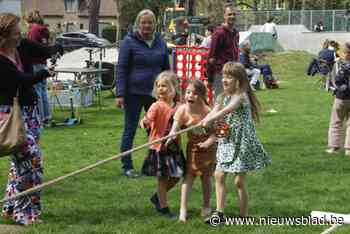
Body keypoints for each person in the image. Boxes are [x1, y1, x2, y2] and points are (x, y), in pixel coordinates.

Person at [0, 12, 57, 225]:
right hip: (9, 114)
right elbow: (18, 80)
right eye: (16, 33)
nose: (20, 36)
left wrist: (53, 49)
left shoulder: (19, 46)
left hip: (29, 111)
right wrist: (45, 74)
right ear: (4, 36)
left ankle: (10, 206)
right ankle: (25, 214)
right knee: (32, 161)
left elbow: (41, 49)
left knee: (21, 163)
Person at [201, 62, 271, 222]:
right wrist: (205, 119)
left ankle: (244, 215)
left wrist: (211, 118)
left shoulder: (241, 96)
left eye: (229, 77)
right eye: (224, 76)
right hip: (227, 140)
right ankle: (219, 213)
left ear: (239, 80)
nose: (224, 80)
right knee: (219, 175)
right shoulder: (221, 95)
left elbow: (227, 110)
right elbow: (215, 109)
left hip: (242, 142)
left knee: (239, 181)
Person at [115, 9, 170, 178]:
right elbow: (122, 68)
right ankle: (127, 166)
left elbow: (166, 69)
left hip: (155, 93)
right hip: (133, 93)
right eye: (143, 22)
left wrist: (171, 89)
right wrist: (120, 94)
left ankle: (153, 164)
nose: (147, 25)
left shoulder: (160, 42)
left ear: (155, 24)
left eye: (150, 22)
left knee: (156, 128)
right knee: (130, 129)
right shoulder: (129, 42)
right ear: (138, 24)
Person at [167, 80, 216, 222]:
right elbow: (174, 128)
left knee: (206, 177)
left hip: (208, 149)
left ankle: (206, 206)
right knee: (188, 177)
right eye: (188, 92)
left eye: (195, 93)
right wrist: (171, 135)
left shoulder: (208, 112)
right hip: (193, 148)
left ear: (201, 95)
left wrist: (207, 143)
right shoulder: (182, 109)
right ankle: (183, 209)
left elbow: (215, 134)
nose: (190, 95)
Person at [140, 71, 185, 219]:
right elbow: (148, 118)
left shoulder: (180, 106)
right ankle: (163, 207)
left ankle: (158, 197)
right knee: (163, 178)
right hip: (159, 148)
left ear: (174, 88)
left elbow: (185, 121)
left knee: (177, 175)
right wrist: (144, 122)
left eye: (164, 85)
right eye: (158, 86)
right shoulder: (156, 105)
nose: (160, 88)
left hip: (174, 147)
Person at [25, 10, 51, 126]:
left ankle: (40, 116)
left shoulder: (34, 30)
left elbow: (29, 46)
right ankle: (47, 115)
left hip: (35, 62)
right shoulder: (44, 30)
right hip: (43, 62)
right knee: (43, 90)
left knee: (37, 91)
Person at [207, 4, 240, 97]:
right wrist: (210, 78)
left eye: (234, 14)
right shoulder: (218, 33)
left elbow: (236, 53)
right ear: (224, 16)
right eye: (229, 14)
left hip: (233, 73)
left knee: (231, 103)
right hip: (220, 74)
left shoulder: (236, 33)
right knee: (219, 103)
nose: (232, 16)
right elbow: (211, 57)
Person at [326, 42, 350, 155]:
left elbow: (336, 81)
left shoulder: (340, 65)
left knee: (336, 122)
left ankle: (334, 147)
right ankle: (349, 149)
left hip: (341, 97)